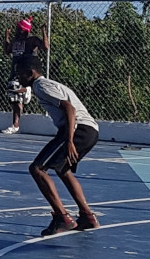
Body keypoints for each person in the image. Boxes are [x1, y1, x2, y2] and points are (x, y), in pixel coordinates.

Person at [23, 55, 100, 236]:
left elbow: (69, 108)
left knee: (37, 169)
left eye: (19, 73)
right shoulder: (47, 84)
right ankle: (87, 216)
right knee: (62, 169)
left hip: (78, 129)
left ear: (31, 73)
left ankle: (62, 217)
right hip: (89, 130)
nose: (17, 77)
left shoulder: (40, 86)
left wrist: (70, 140)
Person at [2, 17, 48, 134]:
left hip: (28, 72)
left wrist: (43, 32)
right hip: (16, 70)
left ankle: (27, 90)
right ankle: (16, 125)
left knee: (14, 90)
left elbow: (45, 47)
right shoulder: (15, 41)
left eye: (18, 29)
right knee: (14, 97)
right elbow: (7, 51)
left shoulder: (32, 40)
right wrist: (7, 36)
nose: (16, 31)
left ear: (24, 31)